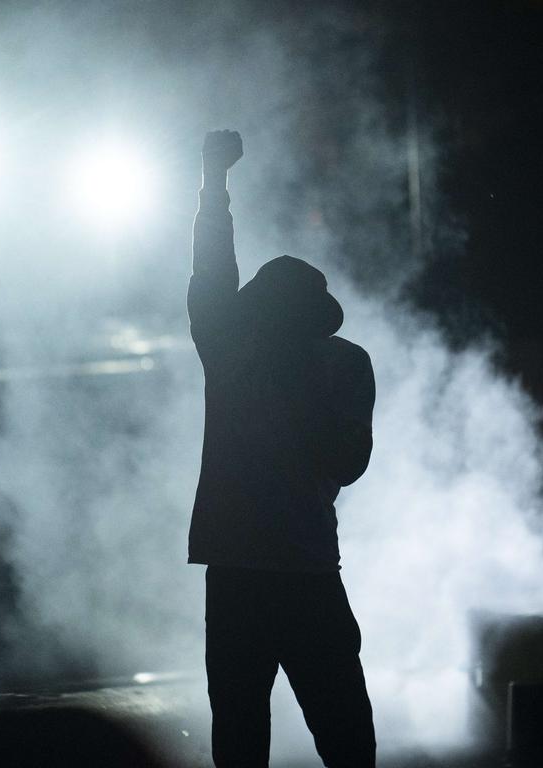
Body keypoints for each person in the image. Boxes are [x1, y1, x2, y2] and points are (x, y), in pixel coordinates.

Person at [188, 129, 377, 768]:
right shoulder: (339, 364)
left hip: (250, 571)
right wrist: (213, 185)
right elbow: (350, 465)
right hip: (300, 569)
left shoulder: (236, 356)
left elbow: (213, 273)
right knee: (340, 737)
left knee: (254, 737)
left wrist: (215, 181)